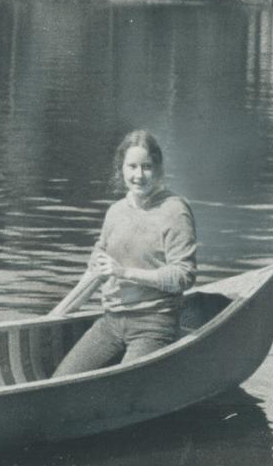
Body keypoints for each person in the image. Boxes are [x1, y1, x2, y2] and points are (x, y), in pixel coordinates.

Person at [52, 130, 197, 376]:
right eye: (132, 166)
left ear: (158, 169)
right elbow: (95, 271)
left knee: (125, 386)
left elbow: (184, 276)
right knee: (60, 380)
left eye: (146, 167)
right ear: (121, 168)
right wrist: (57, 313)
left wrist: (125, 272)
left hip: (154, 323)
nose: (138, 175)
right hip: (112, 322)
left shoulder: (175, 211)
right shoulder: (115, 212)